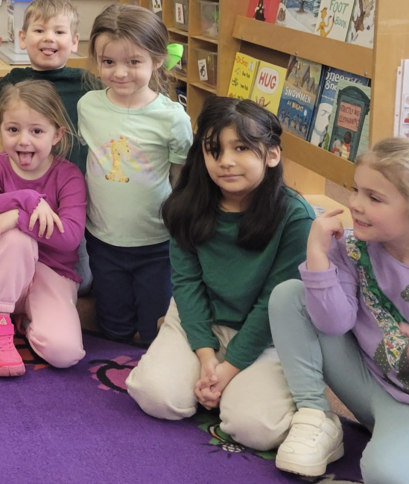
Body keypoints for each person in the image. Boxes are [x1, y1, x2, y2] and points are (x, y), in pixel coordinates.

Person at [269, 139, 409, 482]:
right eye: (356, 189)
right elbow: (333, 322)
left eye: (374, 198)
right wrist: (318, 256)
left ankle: (400, 442)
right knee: (291, 296)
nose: (354, 204)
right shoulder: (356, 245)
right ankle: (315, 417)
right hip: (365, 382)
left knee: (387, 475)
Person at [127, 98, 315, 451]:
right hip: (201, 320)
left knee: (254, 429)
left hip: (267, 334)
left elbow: (274, 304)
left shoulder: (296, 217)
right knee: (156, 397)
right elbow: (186, 284)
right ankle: (207, 381)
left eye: (241, 148)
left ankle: (236, 393)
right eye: (214, 150)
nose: (226, 161)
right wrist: (206, 356)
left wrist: (228, 369)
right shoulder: (187, 205)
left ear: (272, 154)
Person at [77, 3, 192, 345]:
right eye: (108, 62)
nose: (120, 73)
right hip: (101, 237)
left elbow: (181, 179)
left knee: (155, 328)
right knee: (113, 327)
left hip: (155, 242)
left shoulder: (173, 118)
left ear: (157, 60)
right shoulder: (89, 106)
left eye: (134, 62)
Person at [0, 0, 95, 295]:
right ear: (22, 38)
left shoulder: (88, 84)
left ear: (74, 41)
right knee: (18, 251)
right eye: (39, 30)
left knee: (84, 281)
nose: (49, 39)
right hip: (23, 190)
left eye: (59, 32)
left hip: (72, 196)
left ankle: (42, 294)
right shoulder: (16, 79)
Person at [0, 81, 87, 377]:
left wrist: (18, 218)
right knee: (16, 239)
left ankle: (22, 320)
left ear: (57, 134)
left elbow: (70, 238)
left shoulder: (68, 175)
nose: (24, 141)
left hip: (53, 273)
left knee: (65, 353)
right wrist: (27, 200)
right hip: (6, 272)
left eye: (36, 131)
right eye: (13, 130)